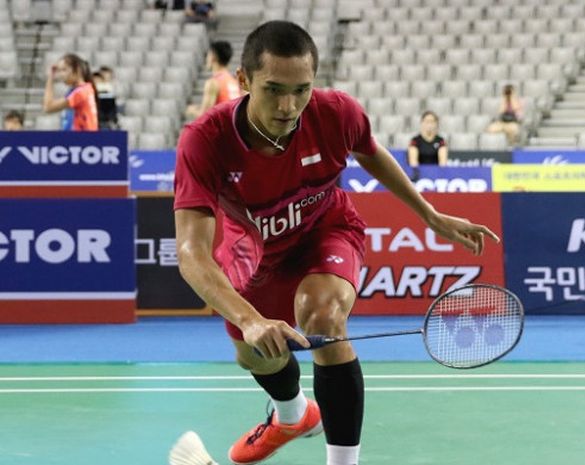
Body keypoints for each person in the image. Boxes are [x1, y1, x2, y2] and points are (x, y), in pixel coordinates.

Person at [173, 21, 499, 465]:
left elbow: (370, 151)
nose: (289, 106)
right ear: (244, 82)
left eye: (301, 89)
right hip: (254, 254)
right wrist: (249, 320)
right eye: (273, 90)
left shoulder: (336, 113)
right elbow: (191, 251)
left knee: (324, 319)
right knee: (256, 356)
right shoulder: (206, 141)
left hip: (325, 229)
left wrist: (430, 214)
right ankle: (292, 415)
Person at [186, 41, 243, 119]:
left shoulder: (213, 83)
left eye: (208, 55)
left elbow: (205, 116)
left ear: (213, 56)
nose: (206, 58)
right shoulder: (234, 81)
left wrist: (192, 111)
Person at [43, 54, 98, 131]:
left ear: (77, 70)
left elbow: (48, 107)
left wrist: (50, 77)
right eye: (59, 71)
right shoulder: (82, 89)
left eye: (64, 70)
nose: (61, 74)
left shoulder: (80, 92)